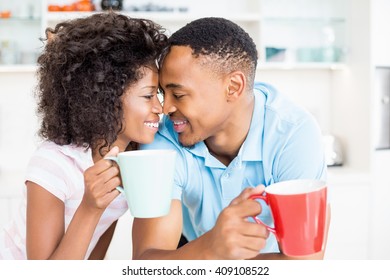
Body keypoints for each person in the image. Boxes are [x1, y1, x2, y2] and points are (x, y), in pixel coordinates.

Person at [134, 17, 330, 260]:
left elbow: (304, 262)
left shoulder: (293, 134)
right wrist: (209, 249)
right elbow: (145, 262)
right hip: (194, 249)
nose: (166, 109)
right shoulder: (165, 137)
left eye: (179, 94)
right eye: (165, 93)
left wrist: (216, 256)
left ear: (233, 87)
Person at [0, 12, 167, 259]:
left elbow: (95, 251)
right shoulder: (55, 164)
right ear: (106, 99)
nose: (159, 108)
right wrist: (90, 208)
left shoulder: (130, 157)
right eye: (148, 95)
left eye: (158, 95)